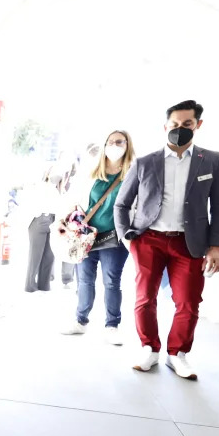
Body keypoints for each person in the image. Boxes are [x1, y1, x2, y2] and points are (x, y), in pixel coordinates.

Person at [114, 100, 219, 379]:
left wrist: (216, 246)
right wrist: (127, 239)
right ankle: (149, 349)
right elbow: (121, 204)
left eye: (187, 125)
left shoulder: (213, 160)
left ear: (198, 125)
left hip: (189, 243)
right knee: (144, 298)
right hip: (148, 240)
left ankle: (177, 354)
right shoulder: (144, 162)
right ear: (165, 126)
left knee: (189, 302)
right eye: (175, 125)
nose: (180, 130)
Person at [61, 130, 136, 345]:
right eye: (110, 142)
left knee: (111, 282)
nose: (114, 145)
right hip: (86, 237)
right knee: (84, 280)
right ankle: (80, 321)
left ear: (127, 145)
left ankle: (112, 326)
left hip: (114, 238)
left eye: (119, 141)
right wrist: (64, 220)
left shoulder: (133, 172)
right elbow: (74, 198)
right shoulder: (92, 171)